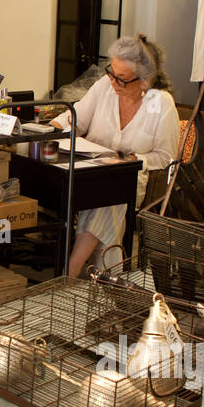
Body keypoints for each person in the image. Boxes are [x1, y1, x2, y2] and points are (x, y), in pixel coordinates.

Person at [50, 35, 180, 278]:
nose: (113, 82)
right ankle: (105, 275)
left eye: (121, 79)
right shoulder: (103, 87)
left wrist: (134, 159)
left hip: (132, 177)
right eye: (112, 72)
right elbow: (73, 119)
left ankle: (72, 269)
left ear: (144, 80)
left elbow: (165, 157)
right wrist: (59, 128)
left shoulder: (161, 103)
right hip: (87, 170)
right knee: (106, 191)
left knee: (113, 194)